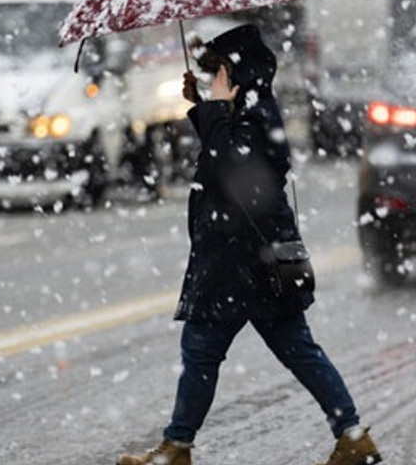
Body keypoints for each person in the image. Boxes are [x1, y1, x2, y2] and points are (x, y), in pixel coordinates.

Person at [118, 25, 381, 465]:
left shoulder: (257, 113)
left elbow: (228, 169)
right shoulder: (252, 109)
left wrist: (216, 108)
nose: (213, 78)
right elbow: (230, 157)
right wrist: (205, 106)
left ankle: (177, 448)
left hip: (241, 263)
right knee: (292, 350)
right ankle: (352, 435)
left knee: (204, 351)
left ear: (237, 70)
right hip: (249, 260)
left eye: (217, 71)